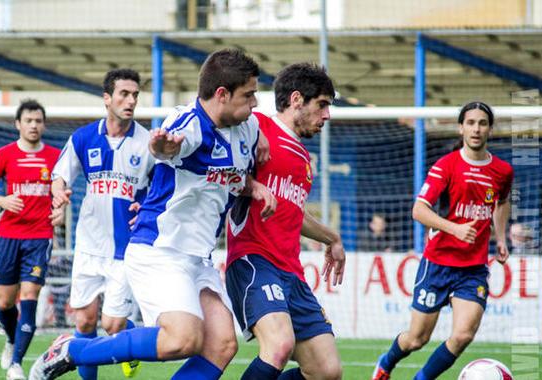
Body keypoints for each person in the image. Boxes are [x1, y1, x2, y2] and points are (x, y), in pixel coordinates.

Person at [31, 48, 275, 380]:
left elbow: (230, 169)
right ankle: (72, 350)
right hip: (160, 250)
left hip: (198, 258)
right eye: (249, 95)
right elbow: (166, 147)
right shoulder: (187, 124)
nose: (255, 103)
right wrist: (164, 147)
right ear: (221, 94)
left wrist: (255, 183)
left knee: (221, 345)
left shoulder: (248, 127)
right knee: (183, 339)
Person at [372, 101, 514, 380]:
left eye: (482, 123)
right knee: (416, 339)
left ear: (490, 129)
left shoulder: (502, 171)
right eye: (471, 123)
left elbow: (503, 202)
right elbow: (419, 210)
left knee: (462, 336)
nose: (476, 129)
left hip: (473, 268)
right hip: (438, 263)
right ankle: (386, 363)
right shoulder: (446, 166)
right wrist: (455, 229)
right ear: (461, 127)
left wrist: (500, 237)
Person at [225, 62, 345, 380]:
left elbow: (293, 212)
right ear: (296, 100)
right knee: (278, 346)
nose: (327, 116)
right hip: (253, 260)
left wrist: (331, 237)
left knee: (327, 371)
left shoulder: (304, 160)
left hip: (291, 272)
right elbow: (205, 123)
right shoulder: (254, 125)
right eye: (322, 105)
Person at [50, 68, 155, 379]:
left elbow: (161, 188)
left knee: (112, 325)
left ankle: (129, 340)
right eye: (124, 93)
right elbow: (60, 176)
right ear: (107, 98)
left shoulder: (147, 143)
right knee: (84, 323)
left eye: (135, 95)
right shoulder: (83, 137)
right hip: (88, 245)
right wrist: (58, 194)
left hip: (126, 248)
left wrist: (146, 207)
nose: (131, 100)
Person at [0, 99, 61, 380]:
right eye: (29, 121)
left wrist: (59, 210)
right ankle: (11, 340)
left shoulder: (55, 157)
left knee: (30, 296)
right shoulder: (4, 155)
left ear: (43, 124)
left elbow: (62, 193)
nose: (34, 126)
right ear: (18, 124)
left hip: (39, 237)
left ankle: (16, 364)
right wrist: (2, 200)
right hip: (9, 236)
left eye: (38, 121)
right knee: (4, 303)